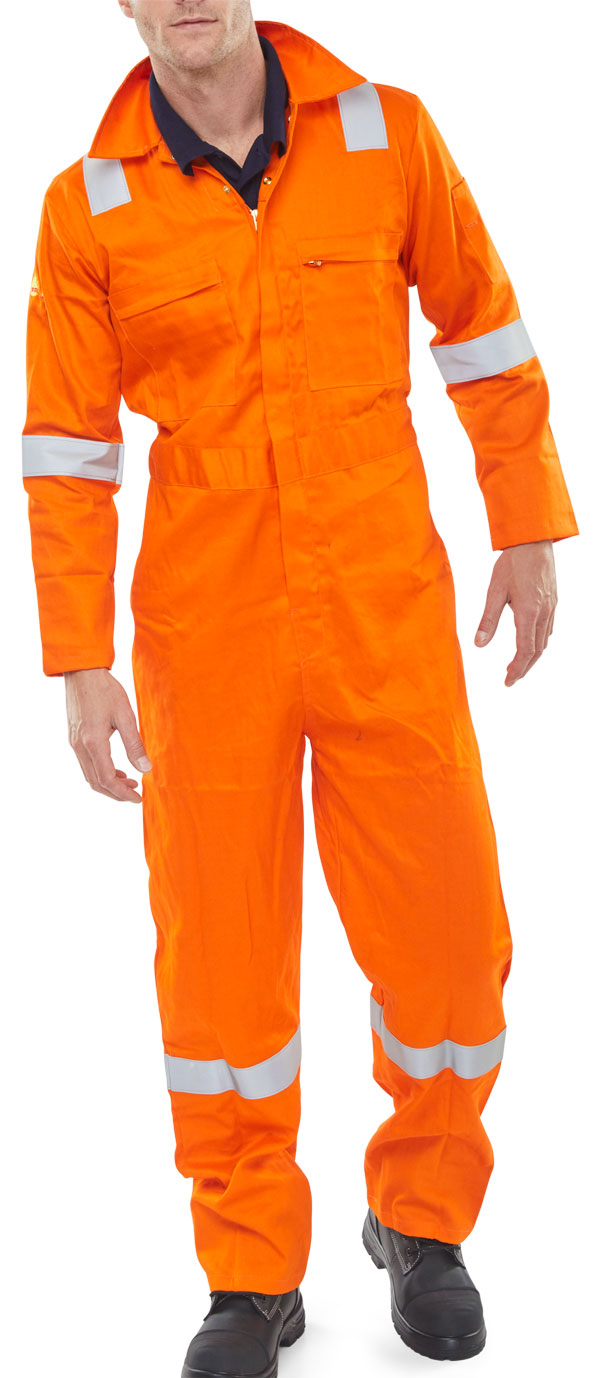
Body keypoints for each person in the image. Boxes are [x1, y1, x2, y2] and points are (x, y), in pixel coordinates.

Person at [21, 2, 579, 1371]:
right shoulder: (90, 206)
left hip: (381, 596)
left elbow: (482, 327)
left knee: (449, 935)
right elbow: (69, 448)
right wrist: (79, 657)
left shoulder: (387, 133)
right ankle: (249, 1268)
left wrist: (525, 522)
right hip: (207, 623)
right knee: (220, 966)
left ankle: (423, 1219)